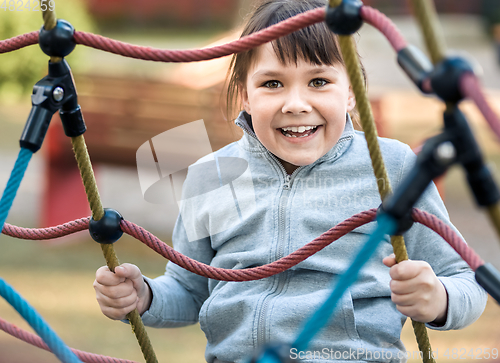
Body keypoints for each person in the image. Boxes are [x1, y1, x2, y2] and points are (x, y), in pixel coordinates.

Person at [93, 1, 488, 362]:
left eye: (318, 82)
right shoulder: (211, 176)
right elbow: (191, 291)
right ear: (244, 96)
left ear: (351, 91)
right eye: (272, 84)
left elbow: (466, 282)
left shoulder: (390, 167)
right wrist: (144, 295)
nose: (296, 103)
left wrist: (438, 298)